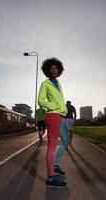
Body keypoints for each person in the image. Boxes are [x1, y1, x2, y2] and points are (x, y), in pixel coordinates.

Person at [38, 58, 70, 188]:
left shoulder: (58, 84)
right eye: (51, 68)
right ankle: (51, 178)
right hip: (52, 116)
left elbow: (61, 100)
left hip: (60, 116)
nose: (54, 70)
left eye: (56, 68)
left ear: (59, 70)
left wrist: (64, 109)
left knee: (66, 140)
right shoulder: (45, 84)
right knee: (52, 145)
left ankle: (55, 165)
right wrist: (54, 105)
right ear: (47, 71)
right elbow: (41, 100)